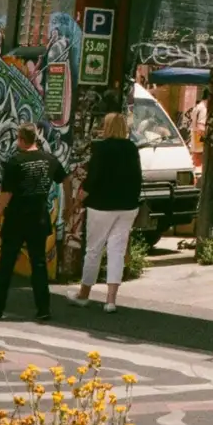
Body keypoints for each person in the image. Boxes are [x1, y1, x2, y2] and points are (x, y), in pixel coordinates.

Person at [0, 124, 65, 323]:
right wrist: (66, 208)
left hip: (16, 219)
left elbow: (6, 194)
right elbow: (64, 179)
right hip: (39, 218)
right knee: (39, 264)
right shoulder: (49, 159)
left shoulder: (15, 162)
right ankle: (43, 309)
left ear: (21, 139)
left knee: (6, 264)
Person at [73, 112, 142, 312]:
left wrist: (79, 198)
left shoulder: (101, 148)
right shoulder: (132, 148)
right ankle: (111, 300)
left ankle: (84, 294)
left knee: (93, 249)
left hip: (101, 206)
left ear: (107, 127)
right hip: (127, 206)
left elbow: (94, 177)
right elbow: (137, 177)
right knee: (117, 251)